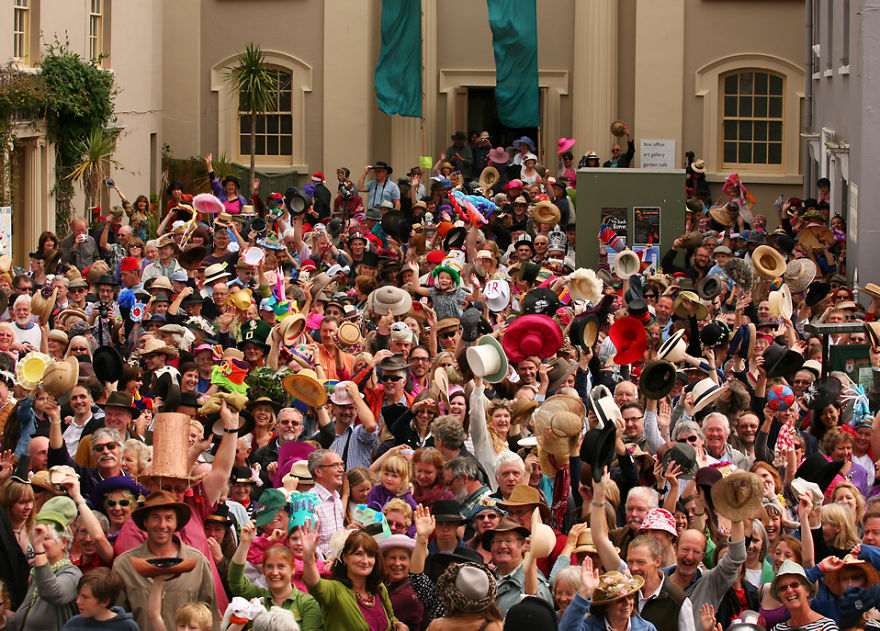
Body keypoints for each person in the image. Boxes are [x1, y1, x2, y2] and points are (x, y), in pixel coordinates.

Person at [112, 491, 217, 631]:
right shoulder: (124, 565)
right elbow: (117, 618)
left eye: (169, 518)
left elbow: (211, 615)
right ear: (145, 522)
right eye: (155, 517)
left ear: (176, 523)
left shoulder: (198, 562)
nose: (162, 525)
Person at [300, 523, 407, 631]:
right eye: (358, 554)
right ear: (345, 557)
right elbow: (314, 584)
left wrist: (399, 625)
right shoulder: (335, 590)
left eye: (370, 555)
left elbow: (391, 618)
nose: (365, 561)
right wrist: (308, 559)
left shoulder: (379, 588)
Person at [227, 520, 322, 631]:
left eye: (281, 566)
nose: (275, 572)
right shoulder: (259, 597)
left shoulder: (308, 603)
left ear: (292, 569)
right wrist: (244, 543)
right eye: (269, 566)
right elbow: (236, 581)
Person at [7, 496, 82, 631]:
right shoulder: (36, 574)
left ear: (63, 542)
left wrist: (39, 552)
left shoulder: (72, 574)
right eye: (37, 538)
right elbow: (24, 619)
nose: (39, 543)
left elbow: (52, 592)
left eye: (46, 538)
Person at [559, 557, 656, 631]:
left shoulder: (647, 628)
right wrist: (584, 592)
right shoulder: (588, 627)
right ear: (605, 606)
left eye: (630, 597)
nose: (627, 603)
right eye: (620, 600)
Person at [62, 568, 139, 631]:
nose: (78, 601)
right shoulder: (73, 624)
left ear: (105, 601)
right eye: (78, 595)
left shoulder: (127, 627)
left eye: (85, 597)